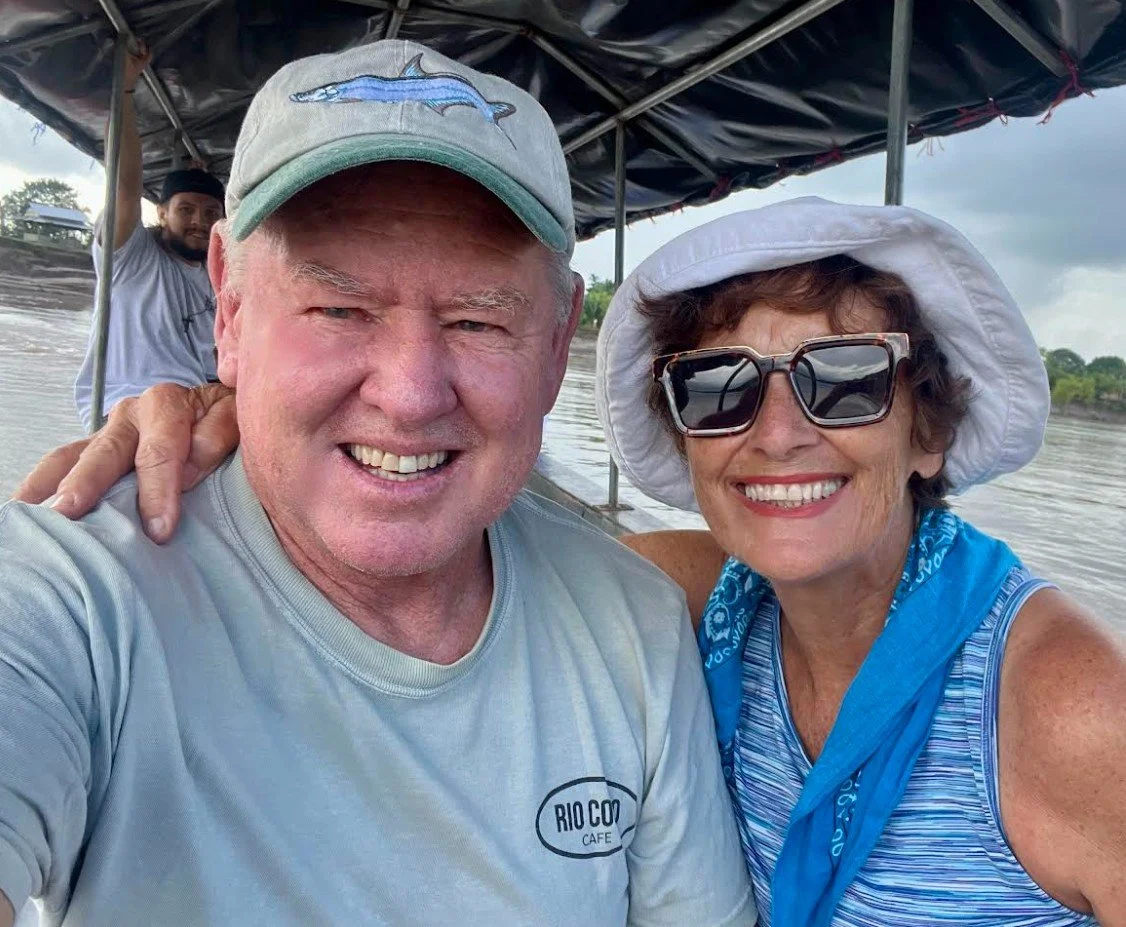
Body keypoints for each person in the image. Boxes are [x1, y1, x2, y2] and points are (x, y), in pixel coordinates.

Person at [28, 199, 1126, 925]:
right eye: (721, 388)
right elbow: (438, 514)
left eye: (843, 378)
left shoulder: (1066, 705)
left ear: (927, 427)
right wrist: (236, 418)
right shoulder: (694, 601)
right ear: (688, 436)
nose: (778, 432)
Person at [0, 40, 754, 927]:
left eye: (478, 320)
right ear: (230, 310)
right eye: (340, 309)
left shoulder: (633, 628)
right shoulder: (72, 592)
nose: (408, 394)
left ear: (557, 350)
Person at [73, 40, 225, 431]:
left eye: (211, 213)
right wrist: (124, 89)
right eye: (186, 210)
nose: (199, 221)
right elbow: (124, 183)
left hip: (199, 406)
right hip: (127, 409)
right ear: (161, 212)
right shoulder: (132, 256)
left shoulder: (220, 275)